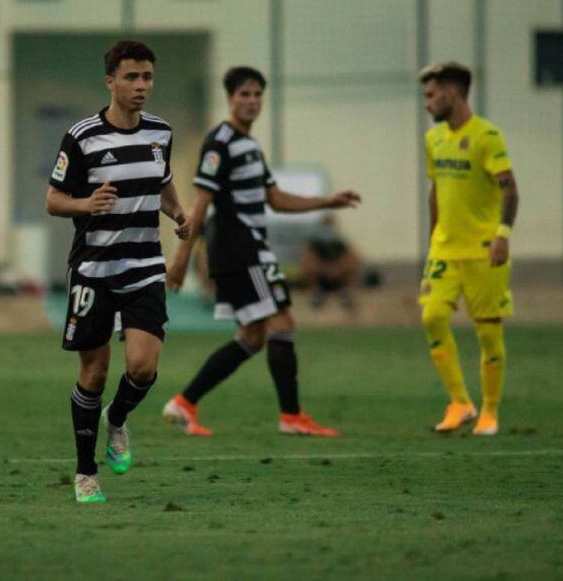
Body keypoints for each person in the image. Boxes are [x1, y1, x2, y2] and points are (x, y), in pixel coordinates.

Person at [164, 66, 360, 437]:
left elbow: (275, 198)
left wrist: (326, 201)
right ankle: (291, 417)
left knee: (253, 337)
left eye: (257, 95)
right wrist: (181, 259)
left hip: (251, 248)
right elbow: (201, 204)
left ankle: (184, 403)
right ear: (230, 98)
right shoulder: (219, 142)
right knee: (282, 324)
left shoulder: (251, 147)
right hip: (240, 249)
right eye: (244, 94)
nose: (252, 102)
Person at [45, 40, 189, 503]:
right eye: (131, 77)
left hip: (145, 264)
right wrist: (86, 203)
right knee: (94, 371)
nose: (141, 86)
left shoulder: (160, 133)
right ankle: (86, 473)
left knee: (144, 368)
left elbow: (162, 183)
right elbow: (53, 199)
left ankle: (119, 419)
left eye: (147, 77)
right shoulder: (83, 136)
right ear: (111, 81)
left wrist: (179, 214)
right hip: (94, 268)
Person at [418, 62, 520, 436]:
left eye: (431, 96)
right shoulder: (433, 140)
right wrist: (432, 242)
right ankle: (460, 402)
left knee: (488, 332)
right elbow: (435, 191)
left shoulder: (487, 136)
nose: (427, 104)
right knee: (431, 317)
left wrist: (503, 234)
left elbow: (510, 188)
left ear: (452, 93)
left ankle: (490, 412)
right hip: (446, 250)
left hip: (483, 250)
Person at [301, 215, 361, 311]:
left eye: (329, 225)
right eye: (325, 226)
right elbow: (306, 261)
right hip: (321, 277)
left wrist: (337, 269)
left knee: (350, 265)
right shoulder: (314, 244)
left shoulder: (340, 243)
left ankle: (345, 293)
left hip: (339, 277)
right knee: (309, 267)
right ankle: (316, 293)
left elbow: (354, 258)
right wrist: (324, 269)